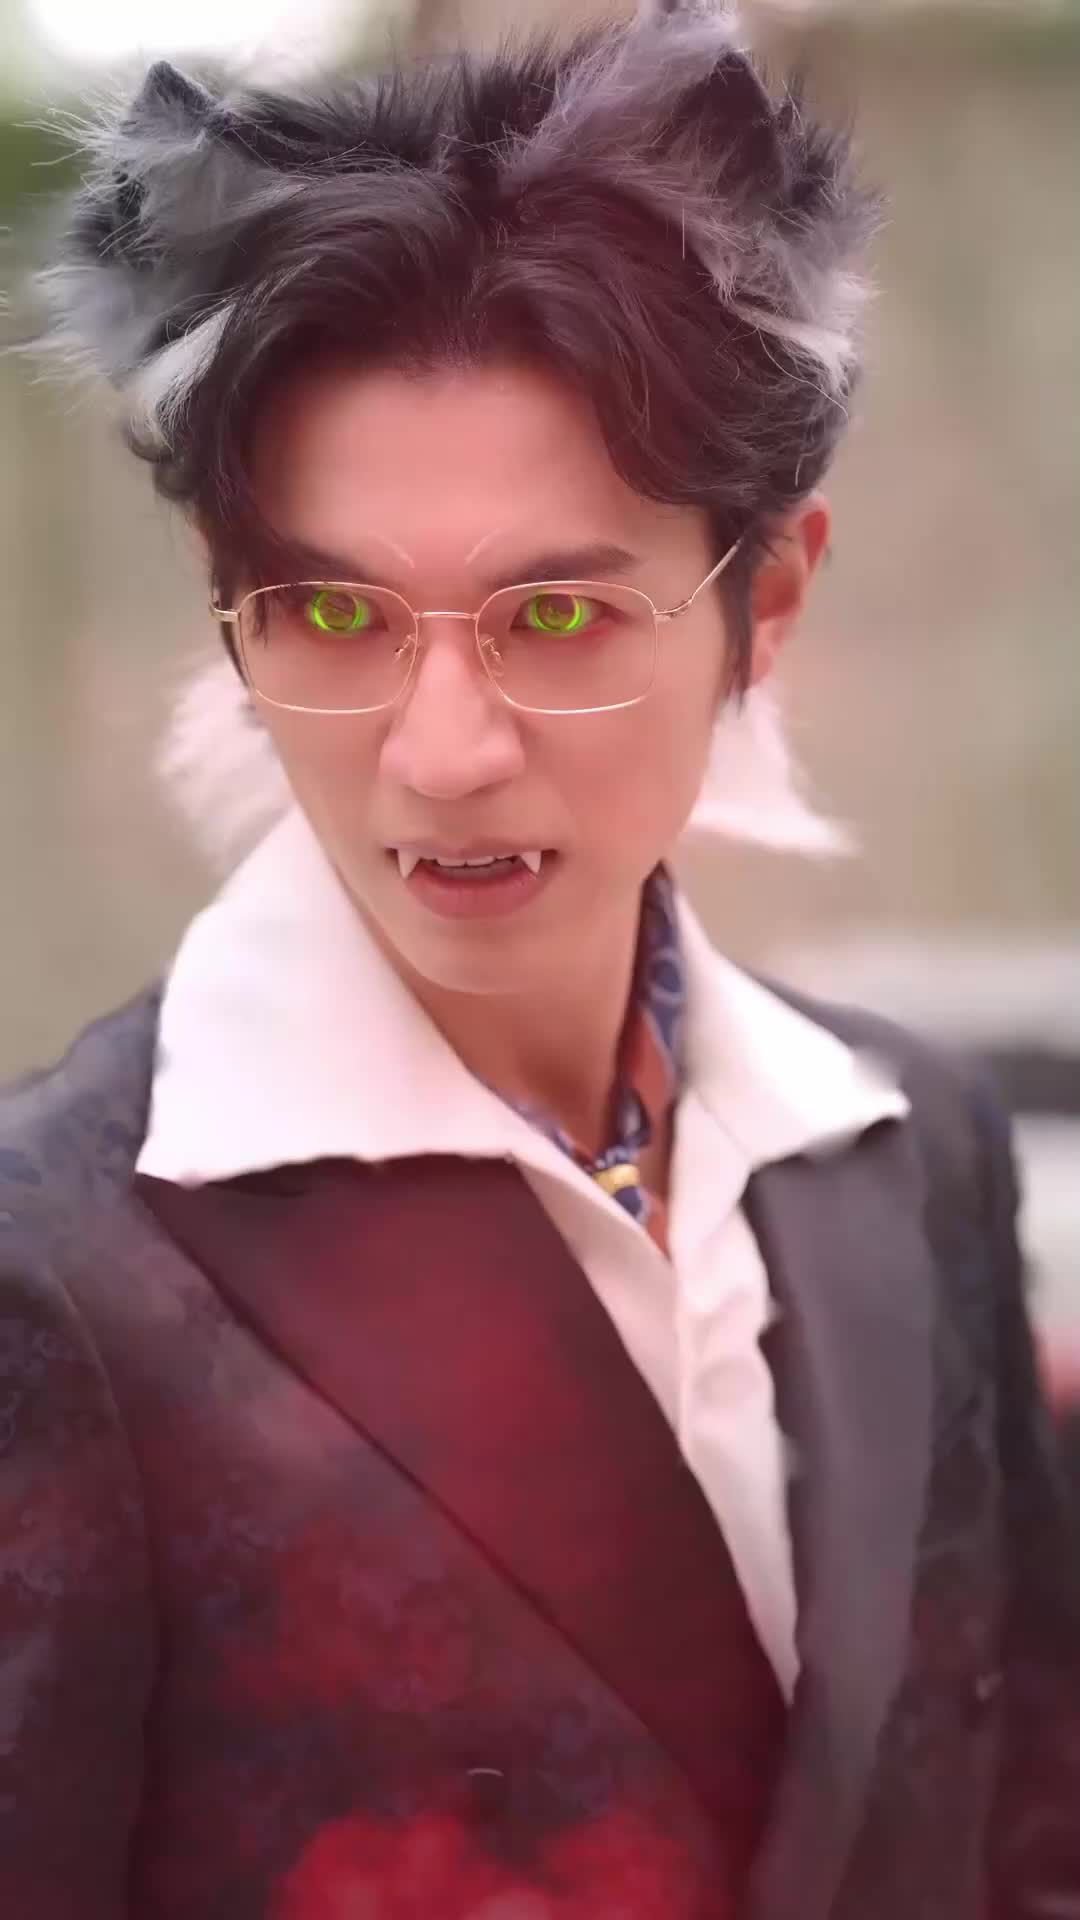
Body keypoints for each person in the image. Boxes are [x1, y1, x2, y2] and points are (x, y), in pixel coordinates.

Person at [2, 4, 1078, 1916]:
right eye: (333, 612)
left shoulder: (918, 1156)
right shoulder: (56, 1275)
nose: (441, 752)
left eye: (558, 616)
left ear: (770, 598)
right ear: (231, 620)